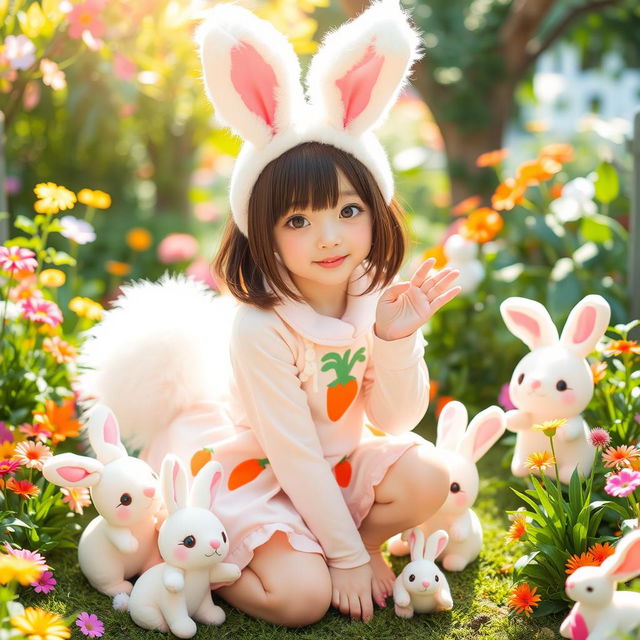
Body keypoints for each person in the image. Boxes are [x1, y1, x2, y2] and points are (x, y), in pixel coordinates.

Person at [80, 0, 461, 628]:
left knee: (429, 476)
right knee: (302, 599)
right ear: (262, 232)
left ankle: (346, 548)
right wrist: (339, 558)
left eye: (346, 210)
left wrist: (394, 341)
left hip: (334, 466)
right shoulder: (260, 327)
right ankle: (201, 563)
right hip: (261, 470)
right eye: (297, 221)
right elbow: (293, 456)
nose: (329, 238)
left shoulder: (371, 293)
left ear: (376, 208)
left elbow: (396, 419)